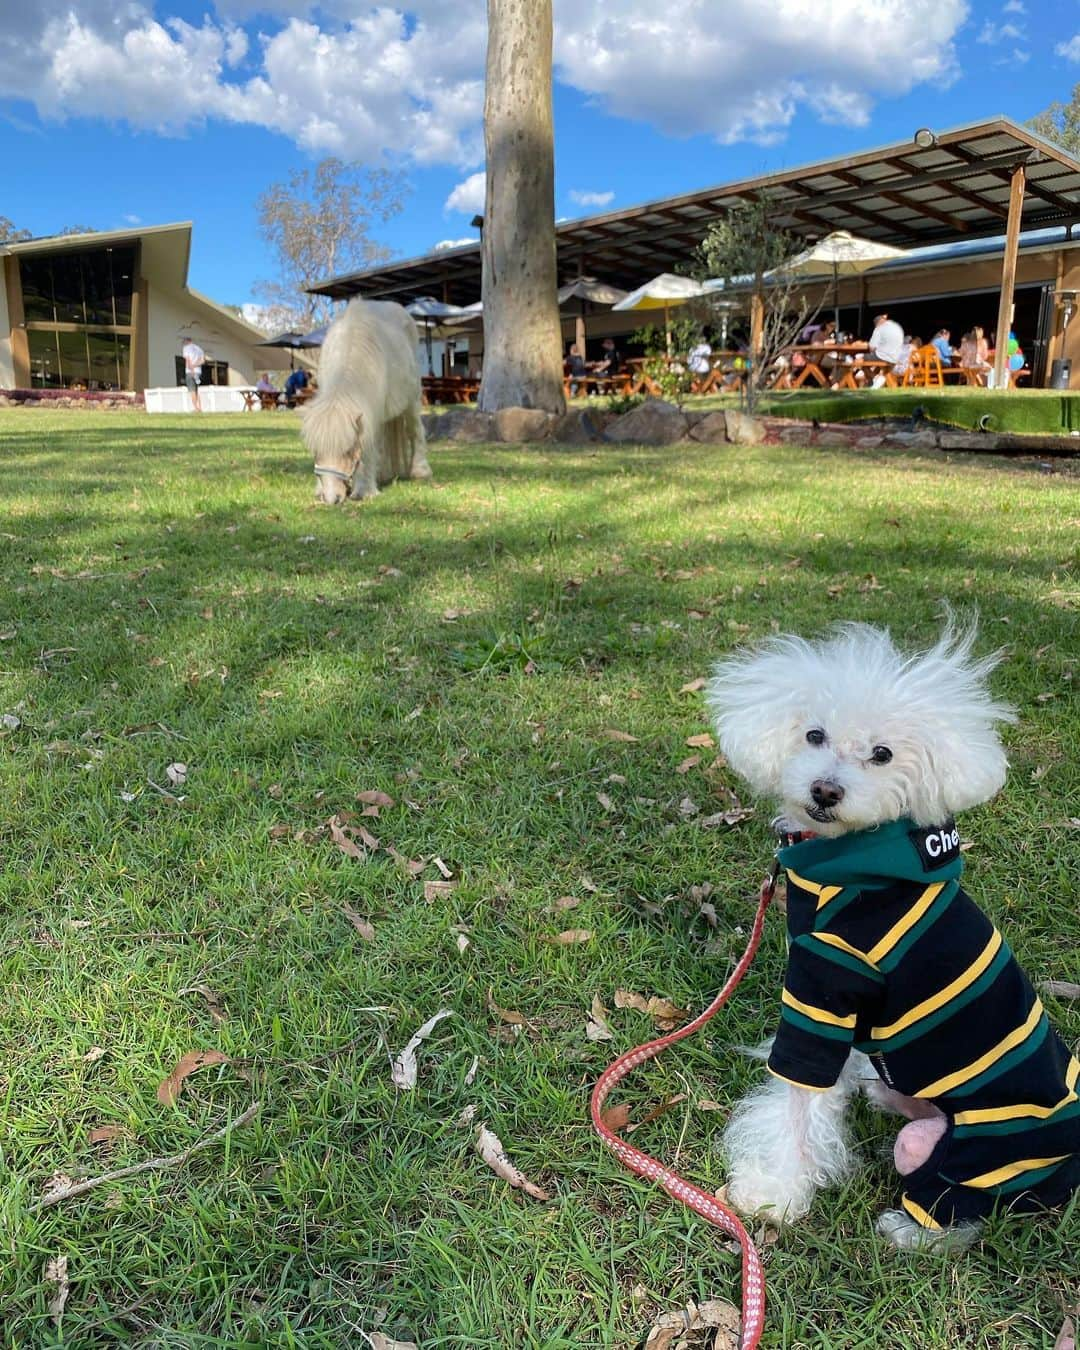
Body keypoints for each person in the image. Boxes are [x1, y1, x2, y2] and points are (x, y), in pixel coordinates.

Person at [181, 335, 205, 412]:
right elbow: (202, 361)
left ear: (187, 341)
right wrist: (195, 366)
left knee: (192, 390)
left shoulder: (186, 348)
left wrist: (191, 370)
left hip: (190, 372)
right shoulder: (199, 349)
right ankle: (200, 407)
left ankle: (196, 408)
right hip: (198, 371)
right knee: (197, 390)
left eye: (184, 342)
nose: (183, 343)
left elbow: (188, 360)